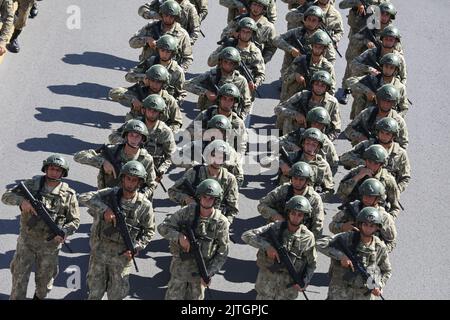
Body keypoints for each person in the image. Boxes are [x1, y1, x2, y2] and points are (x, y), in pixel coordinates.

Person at [1, 154, 80, 299]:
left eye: (58, 170)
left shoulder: (68, 194)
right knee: (19, 281)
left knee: (44, 286)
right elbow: (6, 197)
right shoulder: (33, 185)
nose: (54, 172)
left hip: (50, 246)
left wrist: (64, 232)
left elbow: (74, 221)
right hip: (27, 242)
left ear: (63, 173)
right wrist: (22, 202)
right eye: (51, 168)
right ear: (46, 169)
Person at [79, 161, 155, 300]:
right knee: (94, 293)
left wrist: (137, 247)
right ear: (122, 178)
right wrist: (105, 209)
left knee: (117, 296)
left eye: (134, 180)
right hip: (100, 253)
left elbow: (149, 231)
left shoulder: (144, 205)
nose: (130, 183)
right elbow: (84, 197)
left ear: (139, 182)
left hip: (122, 258)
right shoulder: (110, 194)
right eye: (128, 178)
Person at [158, 179, 230, 300]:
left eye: (211, 198)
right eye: (205, 197)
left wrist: (209, 273)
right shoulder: (187, 212)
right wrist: (179, 237)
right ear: (199, 196)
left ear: (216, 200)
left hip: (199, 274)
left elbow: (222, 253)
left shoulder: (221, 222)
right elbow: (163, 227)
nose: (207, 201)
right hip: (179, 270)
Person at [242, 195, 317, 300]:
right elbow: (246, 236)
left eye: (300, 215)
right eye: (293, 213)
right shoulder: (275, 227)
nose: (296, 217)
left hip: (287, 291)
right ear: (288, 213)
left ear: (304, 216)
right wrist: (268, 247)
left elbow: (311, 264)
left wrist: (305, 281)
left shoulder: (308, 237)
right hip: (266, 286)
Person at [317, 207, 392, 300]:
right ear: (360, 224)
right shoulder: (347, 238)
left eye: (372, 225)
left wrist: (379, 285)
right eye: (365, 224)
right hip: (339, 293)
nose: (368, 228)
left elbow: (386, 270)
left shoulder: (379, 247)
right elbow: (320, 243)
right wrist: (341, 256)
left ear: (377, 227)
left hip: (363, 295)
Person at [73, 119, 157, 198]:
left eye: (137, 136)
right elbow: (78, 156)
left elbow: (151, 185)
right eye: (131, 135)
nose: (134, 139)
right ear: (126, 136)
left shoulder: (146, 159)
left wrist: (140, 197)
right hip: (109, 197)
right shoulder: (113, 151)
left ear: (142, 139)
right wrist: (103, 162)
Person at [109, 95, 176, 186]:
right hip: (127, 161)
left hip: (149, 168)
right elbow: (113, 136)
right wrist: (127, 142)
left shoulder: (165, 132)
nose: (151, 113)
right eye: (149, 109)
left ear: (160, 113)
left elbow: (171, 155)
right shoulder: (134, 124)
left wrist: (161, 170)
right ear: (144, 110)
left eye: (155, 111)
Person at [168, 139, 239, 223]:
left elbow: (233, 209)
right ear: (208, 155)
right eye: (214, 155)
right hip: (191, 219)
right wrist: (186, 199)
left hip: (215, 224)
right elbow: (172, 192)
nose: (217, 160)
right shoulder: (194, 172)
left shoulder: (230, 179)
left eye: (221, 157)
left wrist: (225, 224)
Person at [340, 117, 411, 193]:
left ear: (393, 136)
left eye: (387, 134)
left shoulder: (400, 154)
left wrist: (396, 191)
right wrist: (365, 164)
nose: (384, 136)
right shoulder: (367, 145)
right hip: (362, 187)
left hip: (385, 190)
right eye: (382, 132)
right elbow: (344, 158)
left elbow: (405, 177)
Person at [258, 161, 324, 239]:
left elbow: (318, 224)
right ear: (291, 178)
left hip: (300, 237)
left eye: (301, 180)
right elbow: (262, 205)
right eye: (295, 178)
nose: (297, 182)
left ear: (307, 181)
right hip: (279, 231)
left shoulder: (314, 199)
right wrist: (275, 216)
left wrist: (310, 242)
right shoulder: (283, 190)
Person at [329, 178, 397, 252]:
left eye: (371, 196)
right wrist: (342, 227)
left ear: (378, 198)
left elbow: (391, 241)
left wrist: (379, 253)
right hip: (347, 251)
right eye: (365, 195)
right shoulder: (352, 208)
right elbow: (332, 225)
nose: (366, 198)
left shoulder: (383, 217)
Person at [109, 65, 183, 133]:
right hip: (137, 131)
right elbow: (113, 93)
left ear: (164, 83)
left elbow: (177, 122)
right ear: (148, 80)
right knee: (115, 139)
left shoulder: (169, 100)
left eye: (159, 82)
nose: (155, 84)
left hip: (157, 134)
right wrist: (133, 100)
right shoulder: (140, 92)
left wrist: (168, 132)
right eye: (152, 80)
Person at [185, 47, 252, 120]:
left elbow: (247, 104)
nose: (227, 65)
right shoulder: (211, 75)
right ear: (221, 62)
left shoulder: (241, 81)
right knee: (196, 128)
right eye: (225, 62)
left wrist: (241, 118)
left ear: (235, 64)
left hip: (230, 118)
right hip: (208, 115)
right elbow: (187, 84)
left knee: (241, 131)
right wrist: (205, 92)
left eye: (231, 63)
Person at [208, 17, 265, 100]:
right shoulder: (229, 44)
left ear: (252, 34)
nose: (245, 35)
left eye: (248, 32)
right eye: (243, 31)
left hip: (242, 90)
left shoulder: (255, 52)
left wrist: (255, 84)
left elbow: (261, 74)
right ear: (239, 31)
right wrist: (224, 52)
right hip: (222, 86)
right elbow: (210, 62)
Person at [337, 144, 401, 218]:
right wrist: (357, 177)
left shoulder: (388, 180)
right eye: (369, 161)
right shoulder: (356, 172)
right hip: (353, 213)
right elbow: (341, 192)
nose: (372, 165)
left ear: (381, 164)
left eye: (376, 163)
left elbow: (395, 207)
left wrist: (387, 220)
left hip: (375, 219)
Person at [275, 70, 341, 139]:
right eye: (316, 84)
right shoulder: (302, 95)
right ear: (312, 85)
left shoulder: (332, 102)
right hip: (300, 129)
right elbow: (278, 109)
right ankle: (286, 139)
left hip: (318, 136)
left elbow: (336, 129)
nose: (319, 88)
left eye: (322, 86)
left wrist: (324, 141)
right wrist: (295, 115)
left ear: (327, 88)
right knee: (288, 118)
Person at [129, 0, 193, 70]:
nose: (168, 18)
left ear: (176, 17)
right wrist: (146, 40)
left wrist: (179, 71)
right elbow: (132, 42)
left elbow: (188, 58)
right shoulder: (151, 27)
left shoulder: (182, 34)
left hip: (168, 72)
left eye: (171, 16)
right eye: (166, 15)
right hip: (148, 69)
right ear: (161, 14)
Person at [186, 83, 248, 155]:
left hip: (225, 157)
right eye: (224, 98)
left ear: (234, 102)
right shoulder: (206, 115)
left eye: (230, 100)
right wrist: (205, 134)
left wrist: (236, 161)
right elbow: (188, 132)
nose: (227, 102)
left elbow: (241, 147)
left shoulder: (238, 123)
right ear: (219, 99)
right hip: (204, 153)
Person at [125, 34, 187, 105]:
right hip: (145, 97)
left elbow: (181, 94)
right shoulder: (150, 62)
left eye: (168, 52)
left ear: (173, 53)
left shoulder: (178, 71)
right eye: (162, 50)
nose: (164, 54)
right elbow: (128, 77)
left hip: (163, 102)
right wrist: (144, 78)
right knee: (117, 93)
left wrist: (171, 105)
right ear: (158, 50)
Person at [344, 84, 408, 149]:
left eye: (389, 101)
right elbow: (348, 130)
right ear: (378, 100)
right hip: (366, 151)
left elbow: (403, 144)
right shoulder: (368, 113)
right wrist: (360, 137)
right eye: (383, 100)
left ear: (393, 103)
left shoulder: (398, 121)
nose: (386, 104)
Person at [280, 29, 336, 102]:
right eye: (315, 46)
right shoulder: (300, 60)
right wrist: (295, 75)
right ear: (312, 46)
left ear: (324, 49)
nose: (317, 49)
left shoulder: (327, 67)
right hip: (295, 98)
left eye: (320, 47)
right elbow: (285, 79)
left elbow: (331, 90)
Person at [278, 107, 339, 174]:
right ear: (309, 123)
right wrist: (282, 162)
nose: (316, 127)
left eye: (320, 125)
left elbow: (334, 164)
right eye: (314, 123)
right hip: (293, 174)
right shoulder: (299, 134)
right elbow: (272, 144)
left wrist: (325, 179)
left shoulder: (326, 142)